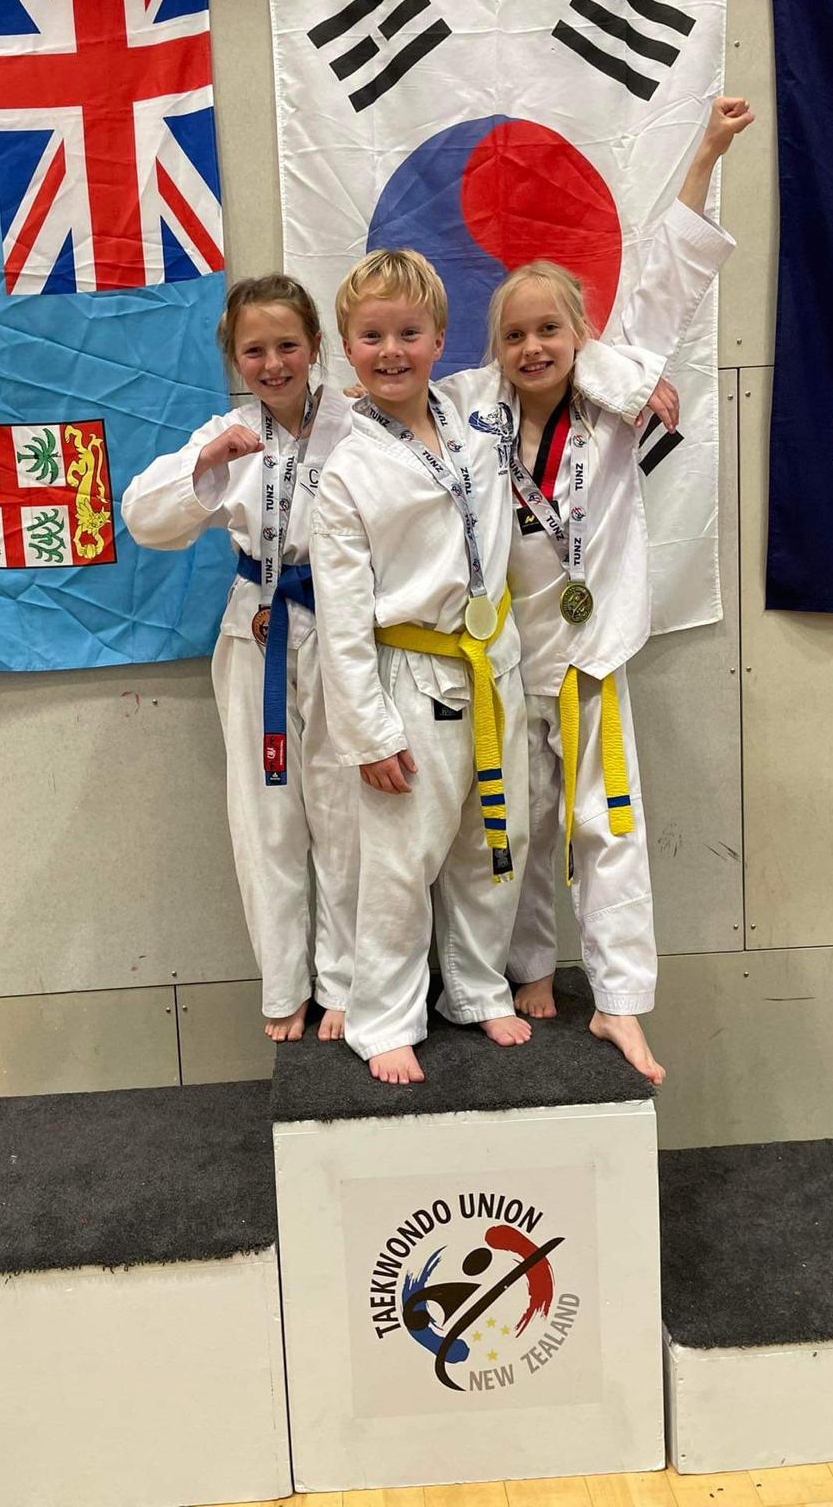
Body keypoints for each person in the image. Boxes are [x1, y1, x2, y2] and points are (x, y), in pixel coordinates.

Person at [437, 96, 754, 1085]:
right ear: (495, 346)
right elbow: (391, 385)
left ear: (581, 334)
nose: (533, 346)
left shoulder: (613, 404)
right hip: (502, 658)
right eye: (515, 334)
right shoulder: (470, 409)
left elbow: (667, 284)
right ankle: (529, 966)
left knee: (607, 827)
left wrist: (706, 151)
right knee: (515, 824)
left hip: (589, 657)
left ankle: (619, 1003)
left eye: (550, 328)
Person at [310, 249, 533, 1084]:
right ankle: (383, 1017)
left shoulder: (481, 412)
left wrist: (636, 389)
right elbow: (341, 621)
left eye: (409, 333)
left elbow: (564, 354)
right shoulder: (346, 471)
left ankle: (477, 988)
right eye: (372, 337)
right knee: (402, 863)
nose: (392, 351)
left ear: (441, 339)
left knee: (493, 840)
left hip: (493, 664)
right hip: (409, 676)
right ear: (347, 349)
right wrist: (368, 733)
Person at [122, 276, 357, 1044]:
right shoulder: (228, 433)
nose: (273, 363)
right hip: (257, 628)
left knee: (345, 811)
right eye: (254, 350)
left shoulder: (357, 424)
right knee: (266, 815)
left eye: (288, 345)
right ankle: (286, 987)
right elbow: (143, 518)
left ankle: (347, 984)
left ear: (315, 347)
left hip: (344, 627)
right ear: (234, 358)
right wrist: (206, 464)